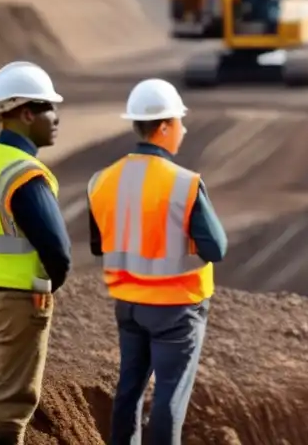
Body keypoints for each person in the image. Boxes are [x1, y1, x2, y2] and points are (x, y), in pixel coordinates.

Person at [88, 78, 228, 444]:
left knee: (129, 390)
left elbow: (97, 243)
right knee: (169, 397)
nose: (184, 128)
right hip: (176, 310)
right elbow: (216, 248)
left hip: (129, 307)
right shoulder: (183, 183)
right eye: (180, 121)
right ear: (164, 126)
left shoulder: (102, 180)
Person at [0, 61, 71, 445]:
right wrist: (46, 287)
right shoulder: (26, 174)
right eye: (48, 108)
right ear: (26, 113)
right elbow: (58, 253)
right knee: (10, 409)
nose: (55, 117)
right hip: (17, 300)